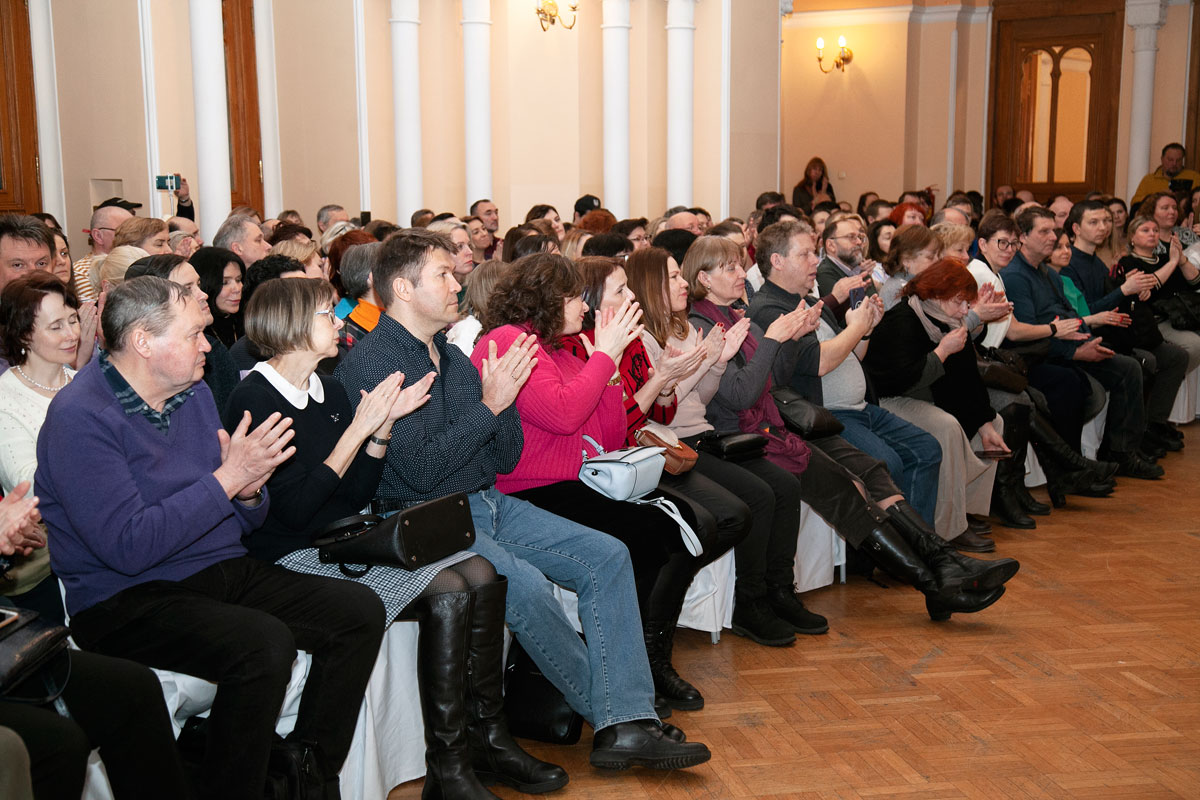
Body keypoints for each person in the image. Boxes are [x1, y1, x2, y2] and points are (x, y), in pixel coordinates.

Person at [333, 229, 710, 771]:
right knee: (525, 587)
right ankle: (621, 720)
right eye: (442, 273)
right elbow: (417, 475)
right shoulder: (376, 363)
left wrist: (501, 406)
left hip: (486, 500)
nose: (456, 280)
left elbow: (504, 458)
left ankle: (623, 720)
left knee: (608, 556)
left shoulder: (450, 358)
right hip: (430, 518)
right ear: (403, 288)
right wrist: (488, 409)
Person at [34, 277, 386, 797]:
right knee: (263, 645)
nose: (208, 345)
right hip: (125, 598)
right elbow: (128, 548)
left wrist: (247, 493)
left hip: (217, 569)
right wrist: (226, 482)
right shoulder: (80, 418)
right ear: (142, 342)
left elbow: (240, 519)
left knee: (357, 611)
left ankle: (306, 771)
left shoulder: (192, 393)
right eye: (196, 334)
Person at [225, 277, 566, 797]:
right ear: (290, 325)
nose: (339, 321)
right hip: (292, 555)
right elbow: (292, 515)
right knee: (451, 586)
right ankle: (448, 766)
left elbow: (356, 490)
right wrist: (359, 432)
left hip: (342, 536)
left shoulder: (330, 388)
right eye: (325, 314)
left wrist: (381, 429)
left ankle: (483, 741)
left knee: (479, 572)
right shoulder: (254, 397)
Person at [692, 230, 1016, 620]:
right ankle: (935, 579)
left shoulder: (745, 313)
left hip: (782, 424)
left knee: (873, 472)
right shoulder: (730, 318)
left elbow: (774, 378)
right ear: (704, 278)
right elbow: (747, 393)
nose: (741, 272)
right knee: (851, 481)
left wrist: (795, 337)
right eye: (729, 267)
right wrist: (783, 338)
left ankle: (941, 564)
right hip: (761, 431)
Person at [477, 253, 739, 715]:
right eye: (576, 297)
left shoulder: (557, 349)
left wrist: (611, 364)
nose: (585, 306)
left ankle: (638, 663)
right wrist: (605, 355)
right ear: (546, 298)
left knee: (669, 531)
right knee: (645, 534)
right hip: (527, 487)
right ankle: (630, 670)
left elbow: (612, 431)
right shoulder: (510, 340)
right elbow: (563, 416)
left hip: (573, 478)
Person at [748, 221, 943, 538]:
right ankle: (904, 550)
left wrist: (865, 328)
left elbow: (856, 355)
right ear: (777, 262)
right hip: (826, 415)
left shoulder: (809, 301)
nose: (816, 260)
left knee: (926, 447)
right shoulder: (770, 308)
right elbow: (821, 363)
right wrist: (856, 327)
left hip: (860, 406)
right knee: (888, 463)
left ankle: (925, 542)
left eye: (815, 253)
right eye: (806, 254)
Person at [966, 211, 1115, 510]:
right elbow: (1016, 330)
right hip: (983, 365)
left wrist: (1066, 330)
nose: (1008, 250)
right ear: (983, 244)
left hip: (994, 361)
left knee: (1058, 386)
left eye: (1012, 244)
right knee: (1030, 399)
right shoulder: (984, 274)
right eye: (1002, 243)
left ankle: (1059, 473)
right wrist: (1055, 329)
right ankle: (1058, 472)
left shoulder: (996, 273)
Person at [1001, 206, 1162, 479]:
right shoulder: (1016, 276)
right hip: (1040, 356)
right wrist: (1075, 353)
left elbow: (1073, 316)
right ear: (1023, 237)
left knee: (1129, 367)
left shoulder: (1048, 273)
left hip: (1068, 346)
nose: (1052, 236)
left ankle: (1121, 452)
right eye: (1045, 231)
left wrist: (1088, 340)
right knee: (1073, 383)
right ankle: (1072, 468)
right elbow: (1028, 337)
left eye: (1053, 230)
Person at [862, 261, 1011, 549]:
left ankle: (967, 510)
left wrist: (985, 421)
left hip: (926, 394)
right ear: (937, 293)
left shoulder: (947, 320)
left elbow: (966, 377)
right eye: (960, 302)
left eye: (968, 304)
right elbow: (902, 380)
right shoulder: (903, 320)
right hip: (890, 399)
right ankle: (948, 526)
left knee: (995, 422)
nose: (965, 311)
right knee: (946, 426)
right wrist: (942, 352)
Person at [1063, 202, 1189, 454]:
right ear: (1076, 228)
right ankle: (1123, 447)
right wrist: (1124, 290)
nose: (1103, 227)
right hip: (1089, 337)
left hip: (1113, 331)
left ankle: (1148, 430)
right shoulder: (1070, 264)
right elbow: (1088, 312)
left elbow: (1110, 298)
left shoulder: (1096, 262)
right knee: (1141, 363)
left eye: (1106, 222)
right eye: (1094, 222)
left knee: (1171, 356)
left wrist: (1131, 290)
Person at [0, 273, 78, 621]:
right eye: (56, 326)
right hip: (42, 561)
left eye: (72, 320)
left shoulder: (84, 382)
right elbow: (30, 485)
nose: (72, 334)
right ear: (25, 334)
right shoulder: (6, 399)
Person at [72, 204, 133, 302]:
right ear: (98, 236)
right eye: (123, 232)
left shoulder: (132, 262)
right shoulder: (80, 274)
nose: (131, 237)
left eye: (134, 232)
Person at [191, 246, 246, 348]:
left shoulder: (247, 321)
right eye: (225, 282)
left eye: (238, 280)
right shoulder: (196, 332)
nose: (237, 289)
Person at [880, 224, 942, 310]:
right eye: (930, 257)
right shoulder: (898, 290)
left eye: (938, 256)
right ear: (906, 260)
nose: (937, 261)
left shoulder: (917, 285)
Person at [1131, 143, 1200, 207]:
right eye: (1170, 160)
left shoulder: (1194, 177)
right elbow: (1134, 202)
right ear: (1162, 159)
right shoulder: (1149, 179)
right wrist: (1158, 195)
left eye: (1178, 160)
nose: (1174, 164)